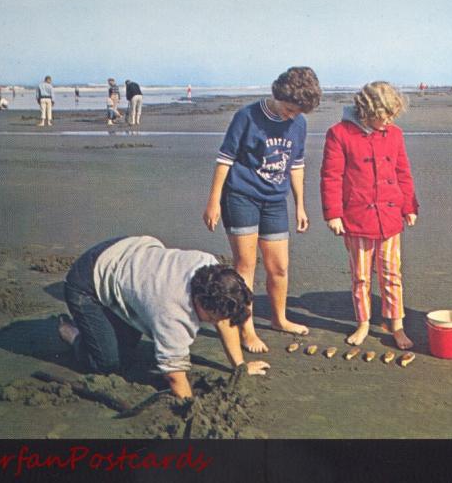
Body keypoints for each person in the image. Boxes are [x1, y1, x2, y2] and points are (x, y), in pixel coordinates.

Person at [56, 235, 271, 398]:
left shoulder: (211, 268)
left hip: (130, 254)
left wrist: (240, 367)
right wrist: (190, 408)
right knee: (108, 363)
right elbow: (174, 377)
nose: (220, 322)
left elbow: (226, 317)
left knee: (128, 346)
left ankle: (104, 322)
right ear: (200, 303)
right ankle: (74, 333)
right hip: (86, 282)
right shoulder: (173, 315)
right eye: (216, 317)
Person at [203, 66, 321, 353]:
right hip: (241, 197)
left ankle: (279, 319)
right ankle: (247, 329)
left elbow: (296, 166)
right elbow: (225, 159)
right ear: (278, 94)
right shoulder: (246, 116)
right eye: (289, 108)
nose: (291, 115)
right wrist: (214, 201)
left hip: (275, 201)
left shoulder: (299, 123)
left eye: (298, 112)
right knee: (245, 265)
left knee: (279, 266)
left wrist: (300, 206)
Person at [320, 81, 419, 349]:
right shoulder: (339, 134)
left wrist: (409, 207)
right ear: (367, 111)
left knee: (391, 274)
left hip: (389, 217)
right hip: (356, 218)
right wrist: (334, 214)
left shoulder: (395, 134)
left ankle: (396, 324)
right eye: (384, 115)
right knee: (361, 276)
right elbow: (331, 176)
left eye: (392, 116)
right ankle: (363, 323)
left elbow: (403, 173)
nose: (388, 121)